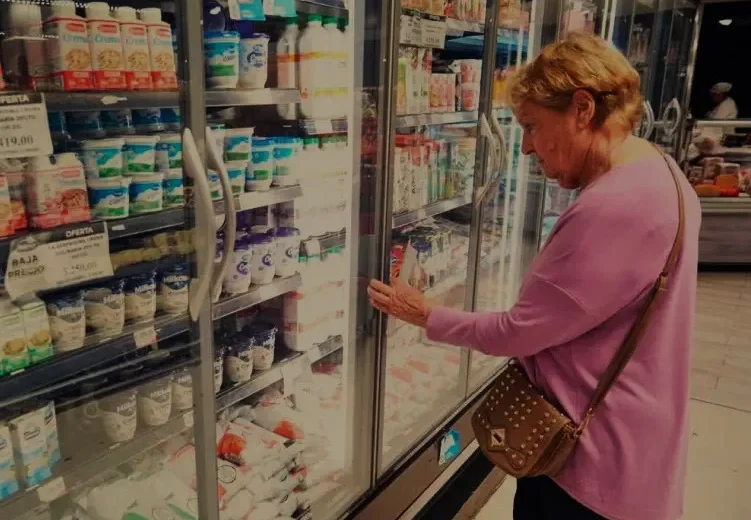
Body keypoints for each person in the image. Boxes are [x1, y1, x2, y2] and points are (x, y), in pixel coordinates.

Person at [369, 33, 700, 520]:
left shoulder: (614, 208)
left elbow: (517, 332)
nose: (525, 148)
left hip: (589, 462)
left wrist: (424, 314)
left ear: (582, 108)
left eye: (531, 126)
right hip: (639, 438)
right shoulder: (663, 171)